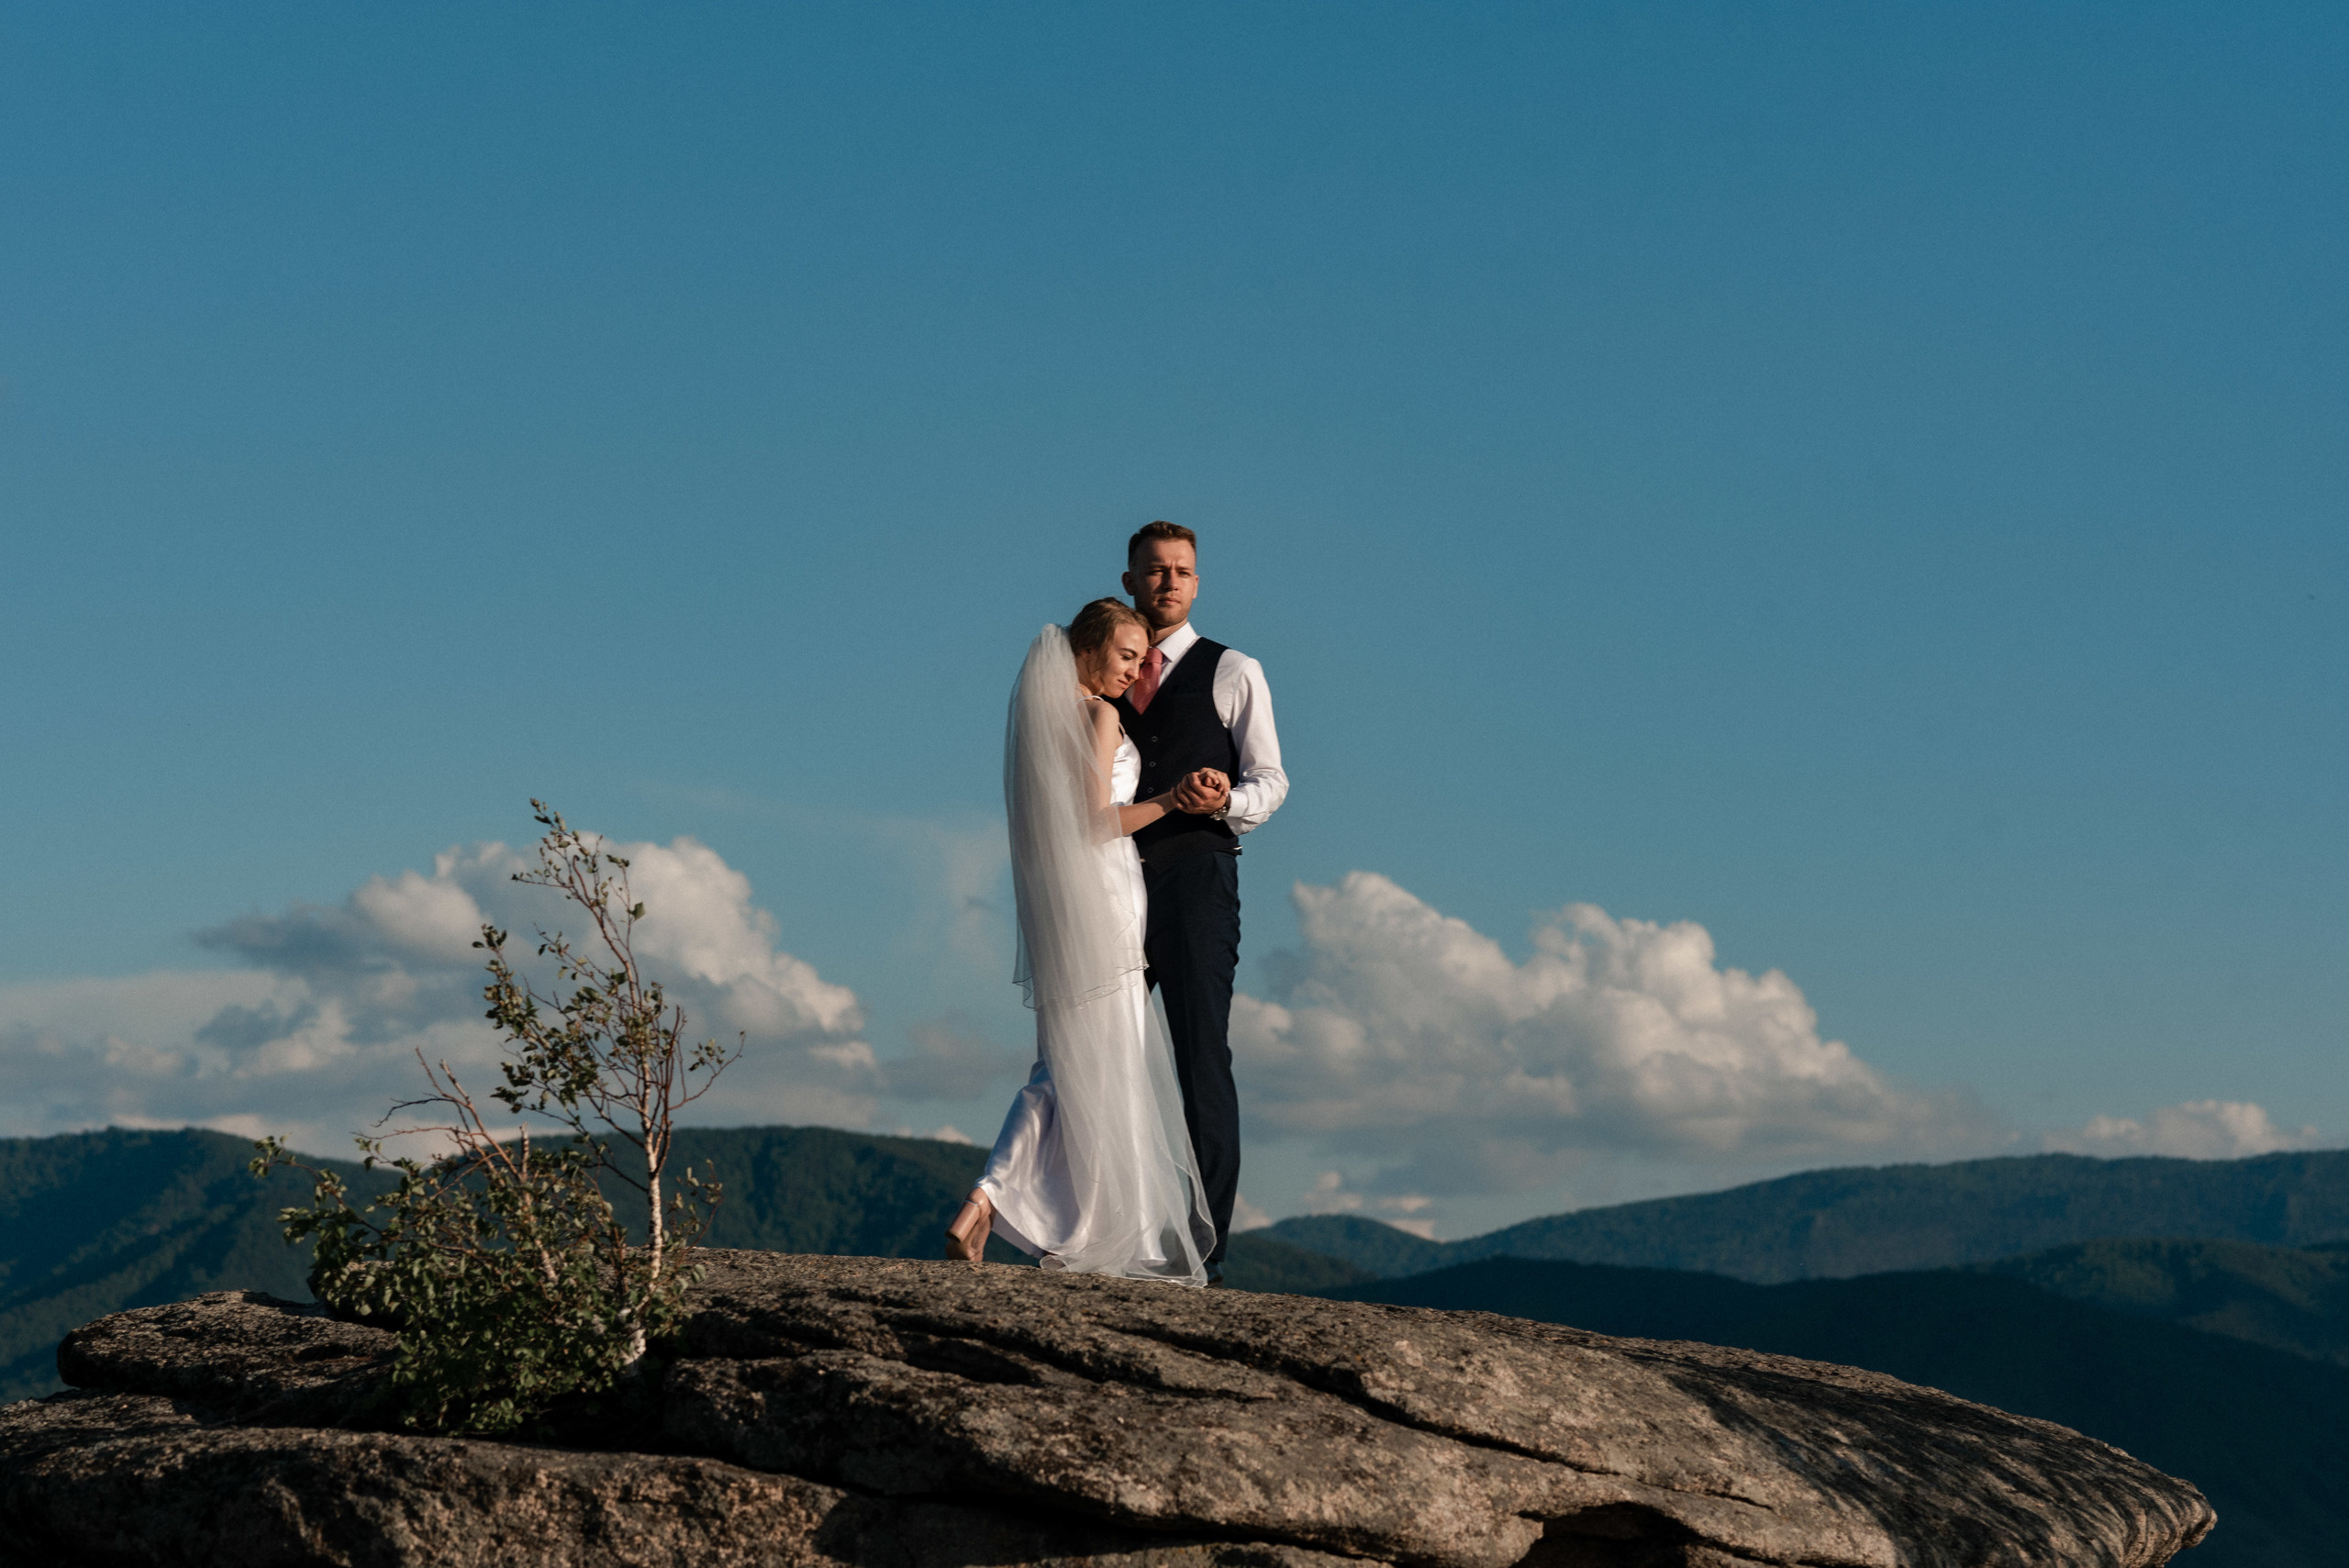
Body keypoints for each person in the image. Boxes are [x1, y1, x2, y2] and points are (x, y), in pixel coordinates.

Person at [944, 597, 1229, 1282]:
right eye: (1126, 656)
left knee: (1067, 1059)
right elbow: (1096, 822)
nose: (1135, 672)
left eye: (1141, 660)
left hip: (1067, 903)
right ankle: (996, 1198)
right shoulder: (1099, 715)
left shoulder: (1044, 720)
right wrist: (1171, 801)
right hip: (1103, 897)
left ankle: (997, 1203)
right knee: (1084, 1063)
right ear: (1087, 648)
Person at [1113, 522, 1287, 1284]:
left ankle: (1202, 1245)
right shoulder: (1104, 674)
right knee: (1101, 1047)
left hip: (1197, 874)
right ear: (1131, 579)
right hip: (1112, 877)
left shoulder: (1233, 669)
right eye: (1156, 570)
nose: (1169, 582)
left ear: (1197, 582)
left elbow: (1272, 779)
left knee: (1198, 1051)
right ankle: (1102, 1225)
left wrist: (1224, 801)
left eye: (1182, 571)